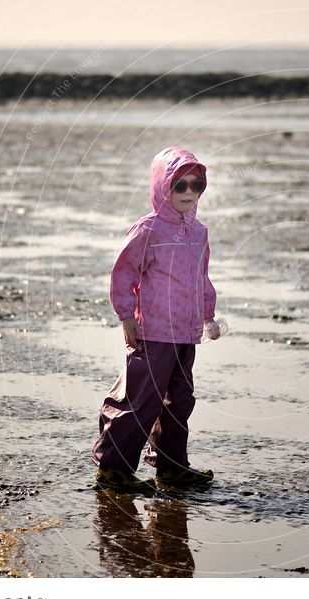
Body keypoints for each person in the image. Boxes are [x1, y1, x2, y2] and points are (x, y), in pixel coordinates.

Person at [92, 146, 220, 492]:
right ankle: (113, 469)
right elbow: (124, 274)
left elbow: (201, 278)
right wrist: (125, 316)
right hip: (153, 331)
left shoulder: (198, 232)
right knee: (140, 399)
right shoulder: (148, 230)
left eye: (197, 185)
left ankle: (172, 467)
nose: (189, 193)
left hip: (185, 333)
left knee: (180, 401)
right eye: (180, 185)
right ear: (163, 187)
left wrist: (208, 315)